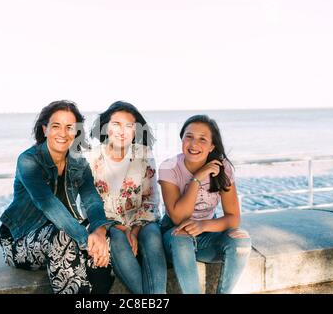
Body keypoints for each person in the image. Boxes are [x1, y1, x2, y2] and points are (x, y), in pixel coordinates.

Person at [0, 100, 114, 294]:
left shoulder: (78, 163)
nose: (63, 133)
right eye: (56, 126)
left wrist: (100, 233)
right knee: (66, 237)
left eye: (69, 127)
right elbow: (47, 204)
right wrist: (87, 242)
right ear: (45, 129)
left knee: (105, 238)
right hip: (20, 240)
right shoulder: (28, 160)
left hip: (60, 233)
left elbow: (92, 199)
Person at [158, 114, 252, 294]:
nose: (194, 144)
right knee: (181, 236)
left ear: (212, 146)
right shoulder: (169, 167)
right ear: (182, 139)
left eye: (202, 139)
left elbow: (233, 218)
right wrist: (197, 179)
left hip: (207, 234)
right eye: (189, 137)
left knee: (242, 240)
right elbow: (178, 218)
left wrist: (203, 225)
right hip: (175, 238)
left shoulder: (222, 168)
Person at [86, 101, 167, 294]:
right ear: (105, 127)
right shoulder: (91, 158)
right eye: (116, 124)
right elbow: (87, 203)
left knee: (153, 235)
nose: (122, 131)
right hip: (107, 224)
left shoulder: (144, 155)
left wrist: (135, 230)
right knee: (115, 237)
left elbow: (150, 201)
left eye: (129, 126)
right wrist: (121, 228)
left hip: (141, 221)